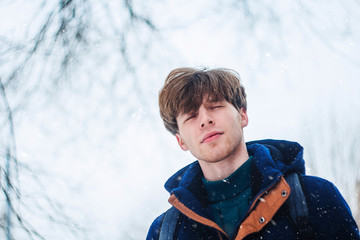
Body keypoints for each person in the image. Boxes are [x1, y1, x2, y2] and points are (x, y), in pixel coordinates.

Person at [146, 67, 360, 240]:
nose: (205, 120)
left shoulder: (316, 198)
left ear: (243, 115)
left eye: (215, 106)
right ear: (181, 140)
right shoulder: (165, 232)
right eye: (191, 116)